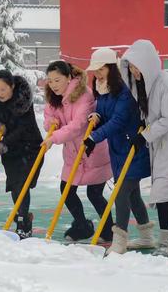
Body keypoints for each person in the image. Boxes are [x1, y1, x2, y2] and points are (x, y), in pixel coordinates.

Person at [120, 39, 168, 256]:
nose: (134, 72)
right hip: (165, 147)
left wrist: (145, 134)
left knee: (164, 192)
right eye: (131, 68)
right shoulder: (147, 86)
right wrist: (142, 127)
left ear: (148, 64)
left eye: (137, 67)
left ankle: (166, 242)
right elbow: (151, 117)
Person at [83, 48, 153, 254]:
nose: (97, 73)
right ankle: (147, 236)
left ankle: (120, 239)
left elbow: (119, 121)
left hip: (133, 147)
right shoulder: (102, 89)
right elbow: (107, 116)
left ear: (111, 68)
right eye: (94, 70)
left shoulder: (124, 91)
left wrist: (95, 137)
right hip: (118, 149)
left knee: (122, 193)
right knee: (132, 195)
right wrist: (96, 117)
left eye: (101, 69)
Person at [42, 60, 114, 242]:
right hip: (73, 153)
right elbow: (49, 115)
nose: (53, 85)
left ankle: (108, 231)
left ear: (68, 78)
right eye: (50, 81)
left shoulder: (84, 95)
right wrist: (50, 123)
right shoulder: (53, 97)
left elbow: (78, 126)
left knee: (94, 193)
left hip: (92, 151)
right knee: (66, 190)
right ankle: (83, 225)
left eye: (57, 80)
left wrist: (54, 138)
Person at [0, 70, 43, 239]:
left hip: (29, 147)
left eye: (3, 89)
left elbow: (22, 128)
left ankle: (22, 222)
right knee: (14, 185)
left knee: (22, 184)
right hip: (11, 150)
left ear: (12, 86)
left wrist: (4, 143)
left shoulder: (22, 102)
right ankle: (23, 215)